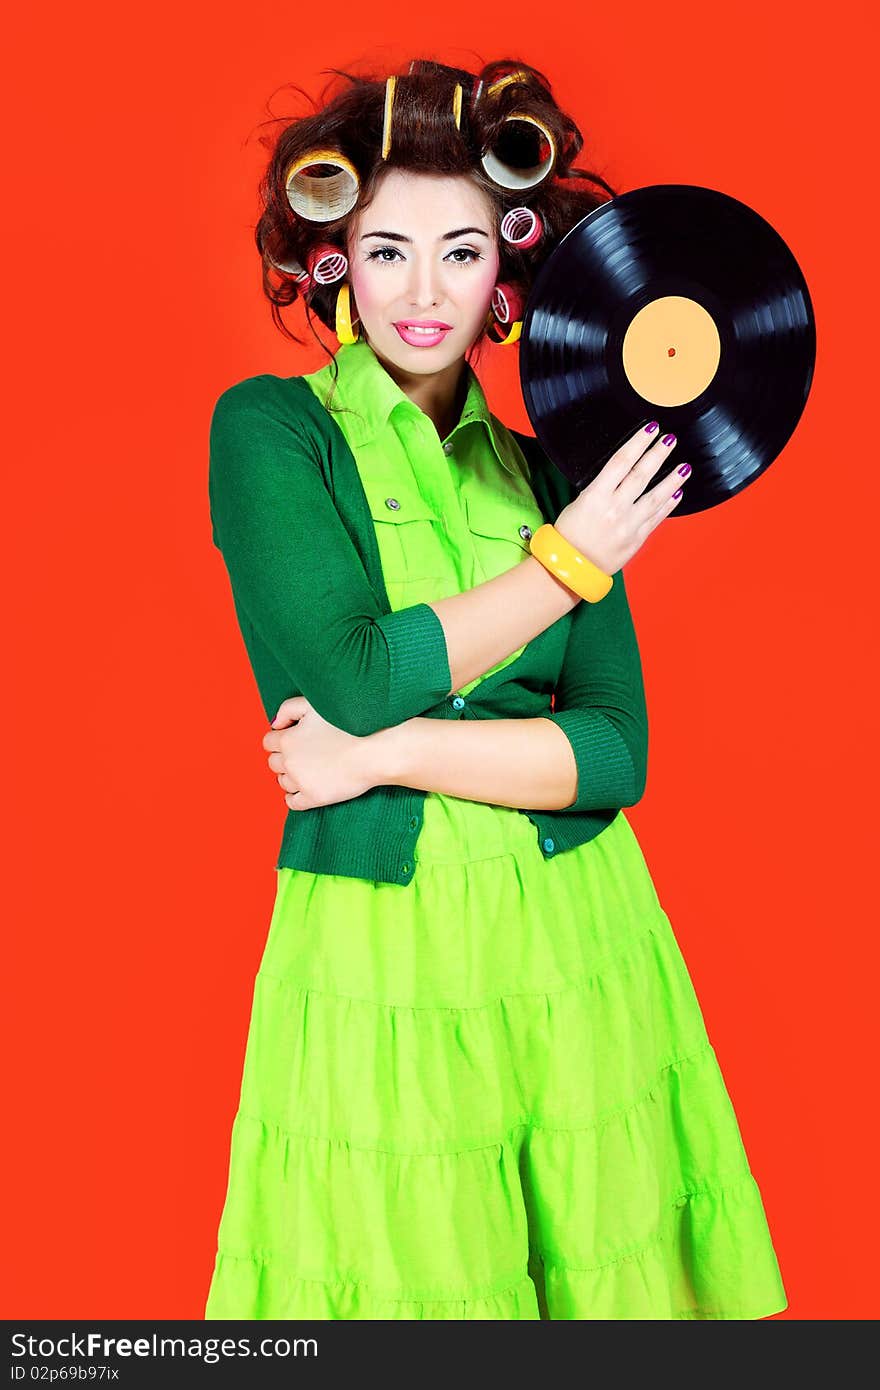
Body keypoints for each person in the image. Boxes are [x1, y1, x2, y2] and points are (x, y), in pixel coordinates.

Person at [204, 57, 788, 1320]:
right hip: (382, 952)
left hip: (581, 942)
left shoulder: (550, 467)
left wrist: (376, 758)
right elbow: (350, 675)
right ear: (334, 260)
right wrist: (571, 558)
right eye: (389, 249)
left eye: (461, 253)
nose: (425, 291)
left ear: (508, 274)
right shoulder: (272, 432)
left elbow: (614, 754)